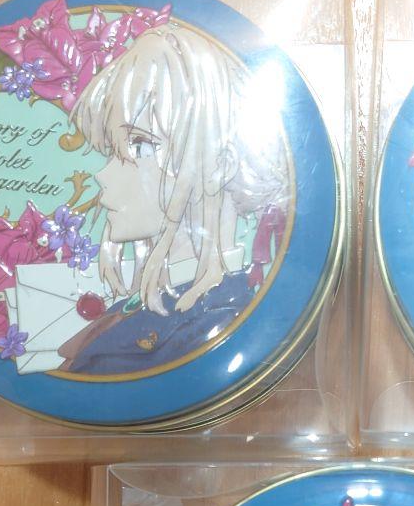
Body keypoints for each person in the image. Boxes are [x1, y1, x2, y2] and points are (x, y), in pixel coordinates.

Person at [58, 22, 290, 375]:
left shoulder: (211, 320)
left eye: (139, 146)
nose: (102, 175)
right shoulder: (151, 304)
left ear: (220, 165)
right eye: (113, 150)